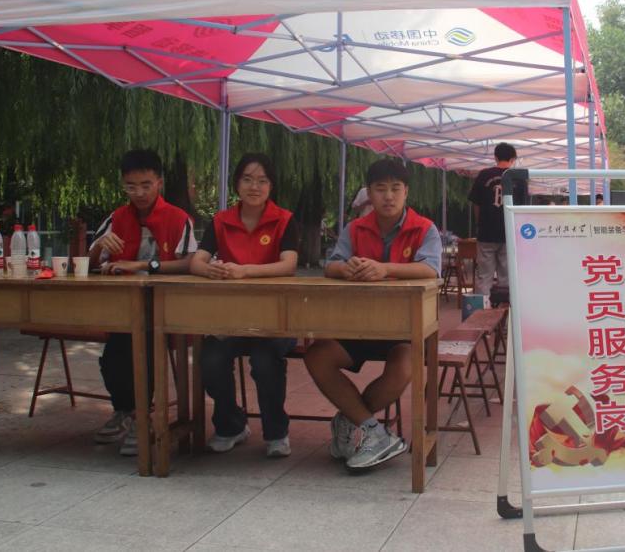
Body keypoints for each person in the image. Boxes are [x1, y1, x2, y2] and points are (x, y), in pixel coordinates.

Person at [306, 159, 441, 471]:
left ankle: (350, 422)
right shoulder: (355, 228)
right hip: (357, 324)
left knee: (405, 365)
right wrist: (346, 268)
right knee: (317, 356)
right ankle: (373, 431)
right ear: (369, 193)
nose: (388, 196)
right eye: (380, 189)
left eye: (395, 188)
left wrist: (384, 269)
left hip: (404, 327)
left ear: (406, 192)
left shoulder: (425, 229)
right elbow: (331, 265)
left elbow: (430, 269)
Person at [89, 149, 197, 456]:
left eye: (146, 185)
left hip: (165, 309)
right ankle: (128, 412)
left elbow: (191, 262)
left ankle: (142, 418)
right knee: (114, 356)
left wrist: (144, 266)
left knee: (143, 346)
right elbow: (90, 264)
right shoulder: (117, 218)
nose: (139, 193)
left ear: (159, 183)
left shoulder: (178, 218)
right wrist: (97, 247)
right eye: (131, 186)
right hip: (123, 308)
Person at [192, 153, 300, 457]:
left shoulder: (284, 220)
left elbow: (289, 265)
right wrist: (210, 270)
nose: (255, 186)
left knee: (265, 361)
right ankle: (231, 426)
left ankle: (276, 432)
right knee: (211, 359)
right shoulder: (221, 221)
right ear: (237, 183)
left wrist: (245, 271)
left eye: (262, 180)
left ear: (271, 186)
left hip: (276, 316)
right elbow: (197, 260)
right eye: (248, 179)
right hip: (232, 317)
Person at [468, 143, 517, 296]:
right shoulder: (518, 178)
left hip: (486, 233)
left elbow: (476, 203)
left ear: (495, 157)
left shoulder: (484, 175)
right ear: (513, 159)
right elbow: (521, 209)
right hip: (509, 234)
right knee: (507, 276)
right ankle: (505, 308)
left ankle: (482, 308)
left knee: (484, 276)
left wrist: (480, 223)